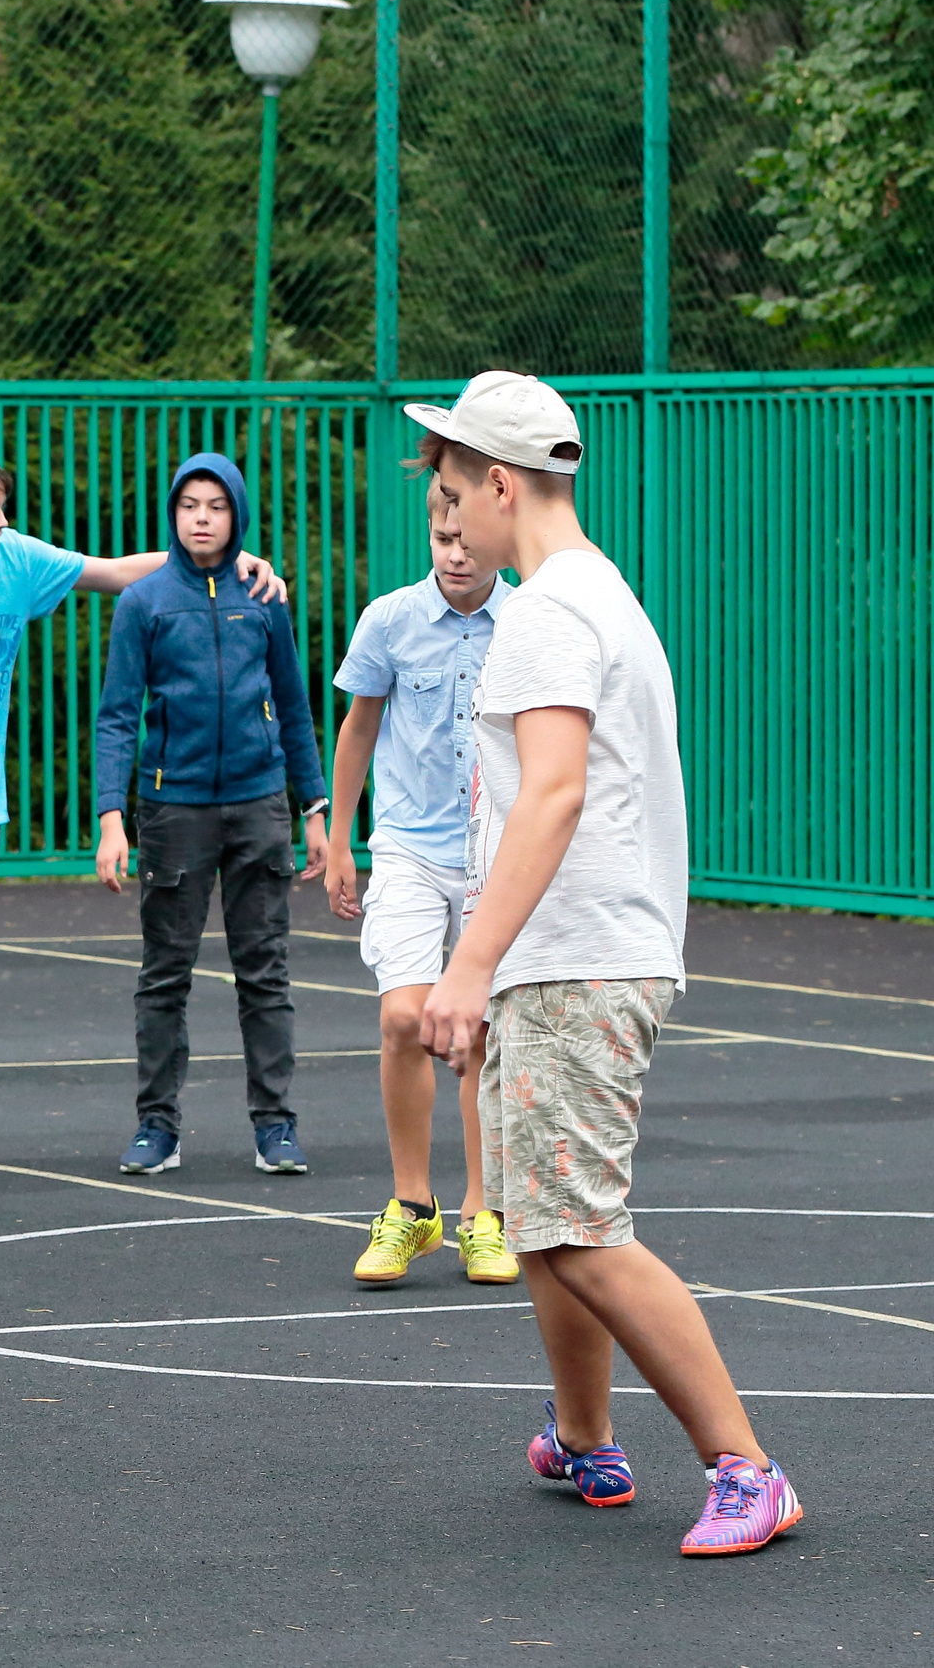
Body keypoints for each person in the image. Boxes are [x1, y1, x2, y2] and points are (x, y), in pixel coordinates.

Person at [415, 372, 799, 1555]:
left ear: (497, 482)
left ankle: (746, 1468)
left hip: (576, 954)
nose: (442, 514)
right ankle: (583, 1437)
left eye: (448, 489)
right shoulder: (598, 593)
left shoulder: (541, 613)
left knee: (579, 1226)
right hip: (568, 952)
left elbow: (554, 795)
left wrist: (467, 964)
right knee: (540, 1217)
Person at [0, 445, 285, 1177]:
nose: (1, 523)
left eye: (2, 508)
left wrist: (237, 562)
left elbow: (115, 573)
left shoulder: (15, 561)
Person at [92, 453, 329, 1176]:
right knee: (166, 973)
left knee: (266, 970)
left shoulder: (264, 597)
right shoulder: (145, 602)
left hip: (260, 804)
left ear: (237, 515)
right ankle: (156, 1126)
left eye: (216, 505)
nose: (201, 516)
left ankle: (276, 1125)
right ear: (173, 513)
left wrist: (312, 806)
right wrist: (112, 816)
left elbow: (292, 704)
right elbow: (116, 717)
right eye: (189, 504)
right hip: (174, 809)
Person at [325, 475, 520, 1286]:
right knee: (407, 1017)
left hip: (494, 855)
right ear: (429, 538)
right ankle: (412, 1207)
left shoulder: (529, 622)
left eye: (470, 542)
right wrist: (338, 839)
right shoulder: (392, 619)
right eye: (445, 541)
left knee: (475, 1031)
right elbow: (359, 724)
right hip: (406, 846)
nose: (457, 555)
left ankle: (485, 1212)